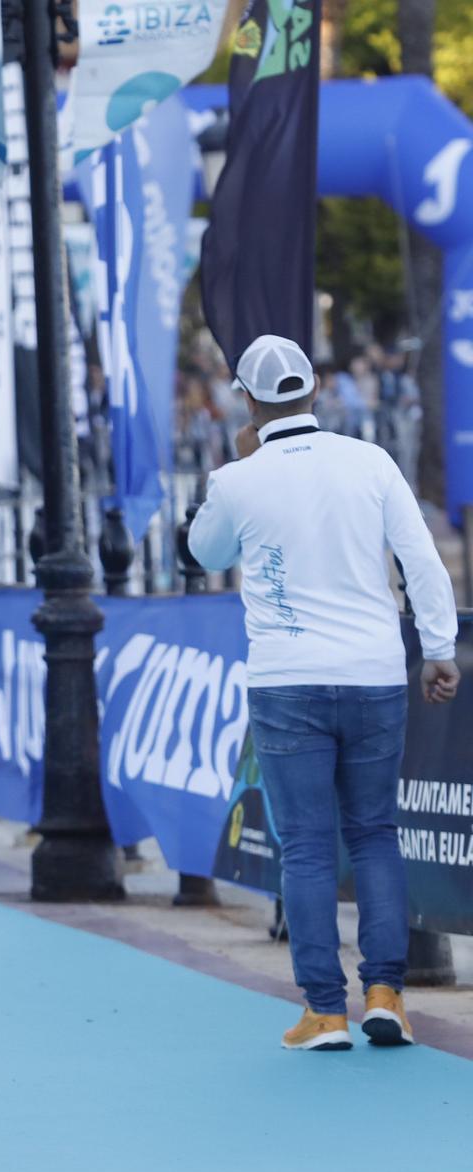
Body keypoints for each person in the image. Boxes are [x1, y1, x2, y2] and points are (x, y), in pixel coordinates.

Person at [189, 333, 460, 1052]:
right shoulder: (368, 461)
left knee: (306, 847)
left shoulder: (239, 478)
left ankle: (323, 1010)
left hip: (287, 679)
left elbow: (203, 552)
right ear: (315, 390)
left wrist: (244, 467)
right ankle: (385, 994)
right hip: (373, 674)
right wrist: (438, 648)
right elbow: (423, 560)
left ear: (248, 401)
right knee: (375, 833)